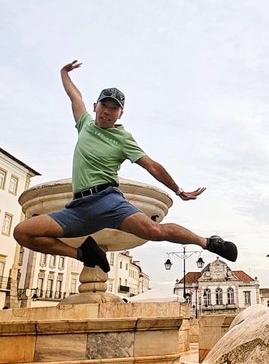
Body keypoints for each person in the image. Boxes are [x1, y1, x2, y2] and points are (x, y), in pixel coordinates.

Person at [14, 60, 238, 273]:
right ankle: (85, 254)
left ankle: (209, 242)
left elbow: (151, 165)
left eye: (114, 108)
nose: (107, 111)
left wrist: (178, 191)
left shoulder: (123, 138)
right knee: (23, 232)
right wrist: (64, 73)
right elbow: (75, 95)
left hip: (108, 201)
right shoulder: (84, 123)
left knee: (154, 231)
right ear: (96, 106)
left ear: (120, 113)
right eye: (104, 105)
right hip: (79, 209)